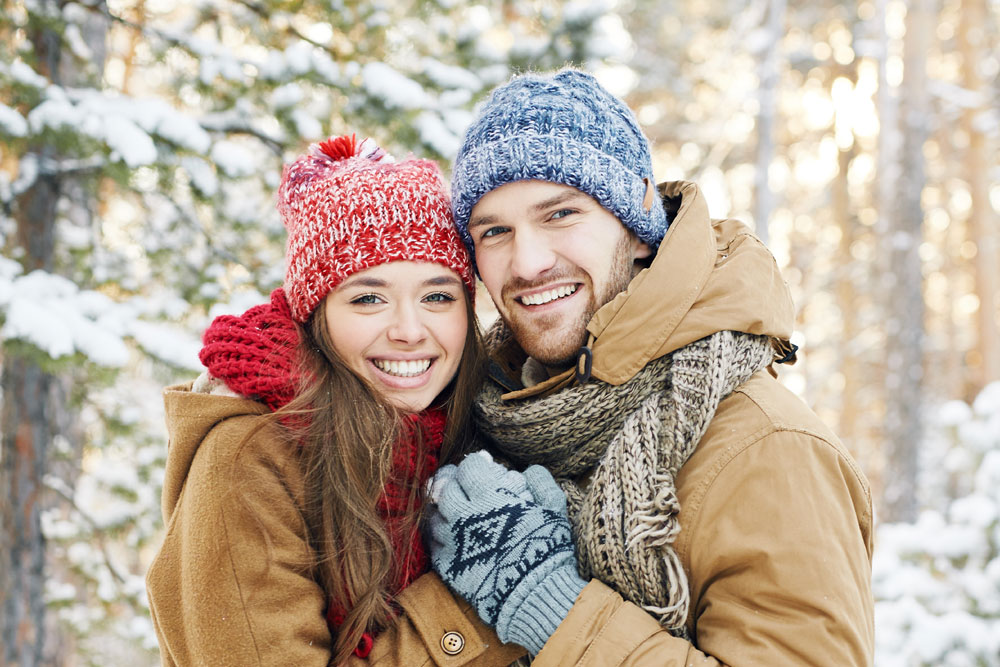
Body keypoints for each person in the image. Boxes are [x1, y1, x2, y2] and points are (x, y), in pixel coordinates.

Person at [427, 69, 875, 665]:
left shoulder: (768, 448)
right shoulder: (488, 415)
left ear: (639, 228)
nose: (528, 262)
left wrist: (553, 606)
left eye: (560, 214)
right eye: (495, 231)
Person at [145, 134, 526, 666]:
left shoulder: (467, 433)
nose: (410, 330)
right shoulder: (248, 459)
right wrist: (494, 596)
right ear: (315, 315)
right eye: (369, 298)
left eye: (438, 296)